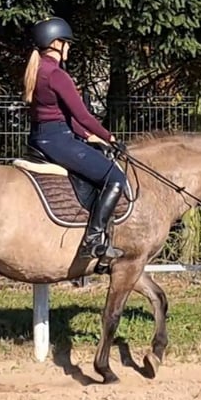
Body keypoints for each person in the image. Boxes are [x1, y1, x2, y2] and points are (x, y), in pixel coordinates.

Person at [23, 16, 127, 261]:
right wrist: (109, 137)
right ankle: (93, 240)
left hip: (42, 137)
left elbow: (62, 116)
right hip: (58, 140)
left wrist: (88, 137)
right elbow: (82, 115)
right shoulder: (56, 74)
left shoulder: (37, 69)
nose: (68, 48)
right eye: (67, 43)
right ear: (57, 43)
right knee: (115, 177)